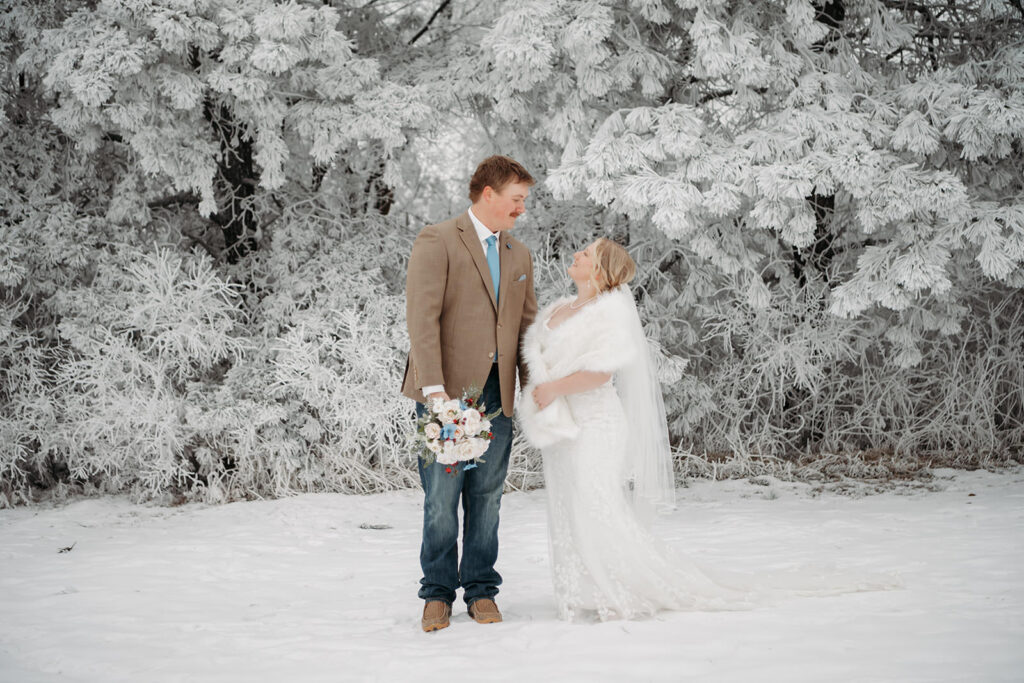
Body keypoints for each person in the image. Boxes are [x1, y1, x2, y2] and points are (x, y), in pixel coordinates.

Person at [518, 239, 895, 621]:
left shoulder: (608, 313)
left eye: (586, 254)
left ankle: (616, 585)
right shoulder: (560, 308)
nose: (576, 255)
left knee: (595, 502)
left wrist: (553, 389)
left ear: (599, 270)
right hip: (561, 423)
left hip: (596, 424)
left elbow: (600, 373)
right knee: (569, 502)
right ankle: (581, 585)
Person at [402, 155, 538, 632]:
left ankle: (481, 590)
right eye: (516, 199)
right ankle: (437, 593)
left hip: (498, 395)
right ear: (489, 194)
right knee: (441, 498)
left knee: (488, 496)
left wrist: (533, 389)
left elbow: (526, 328)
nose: (521, 209)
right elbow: (422, 318)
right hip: (446, 394)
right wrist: (434, 391)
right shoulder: (438, 239)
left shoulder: (520, 254)